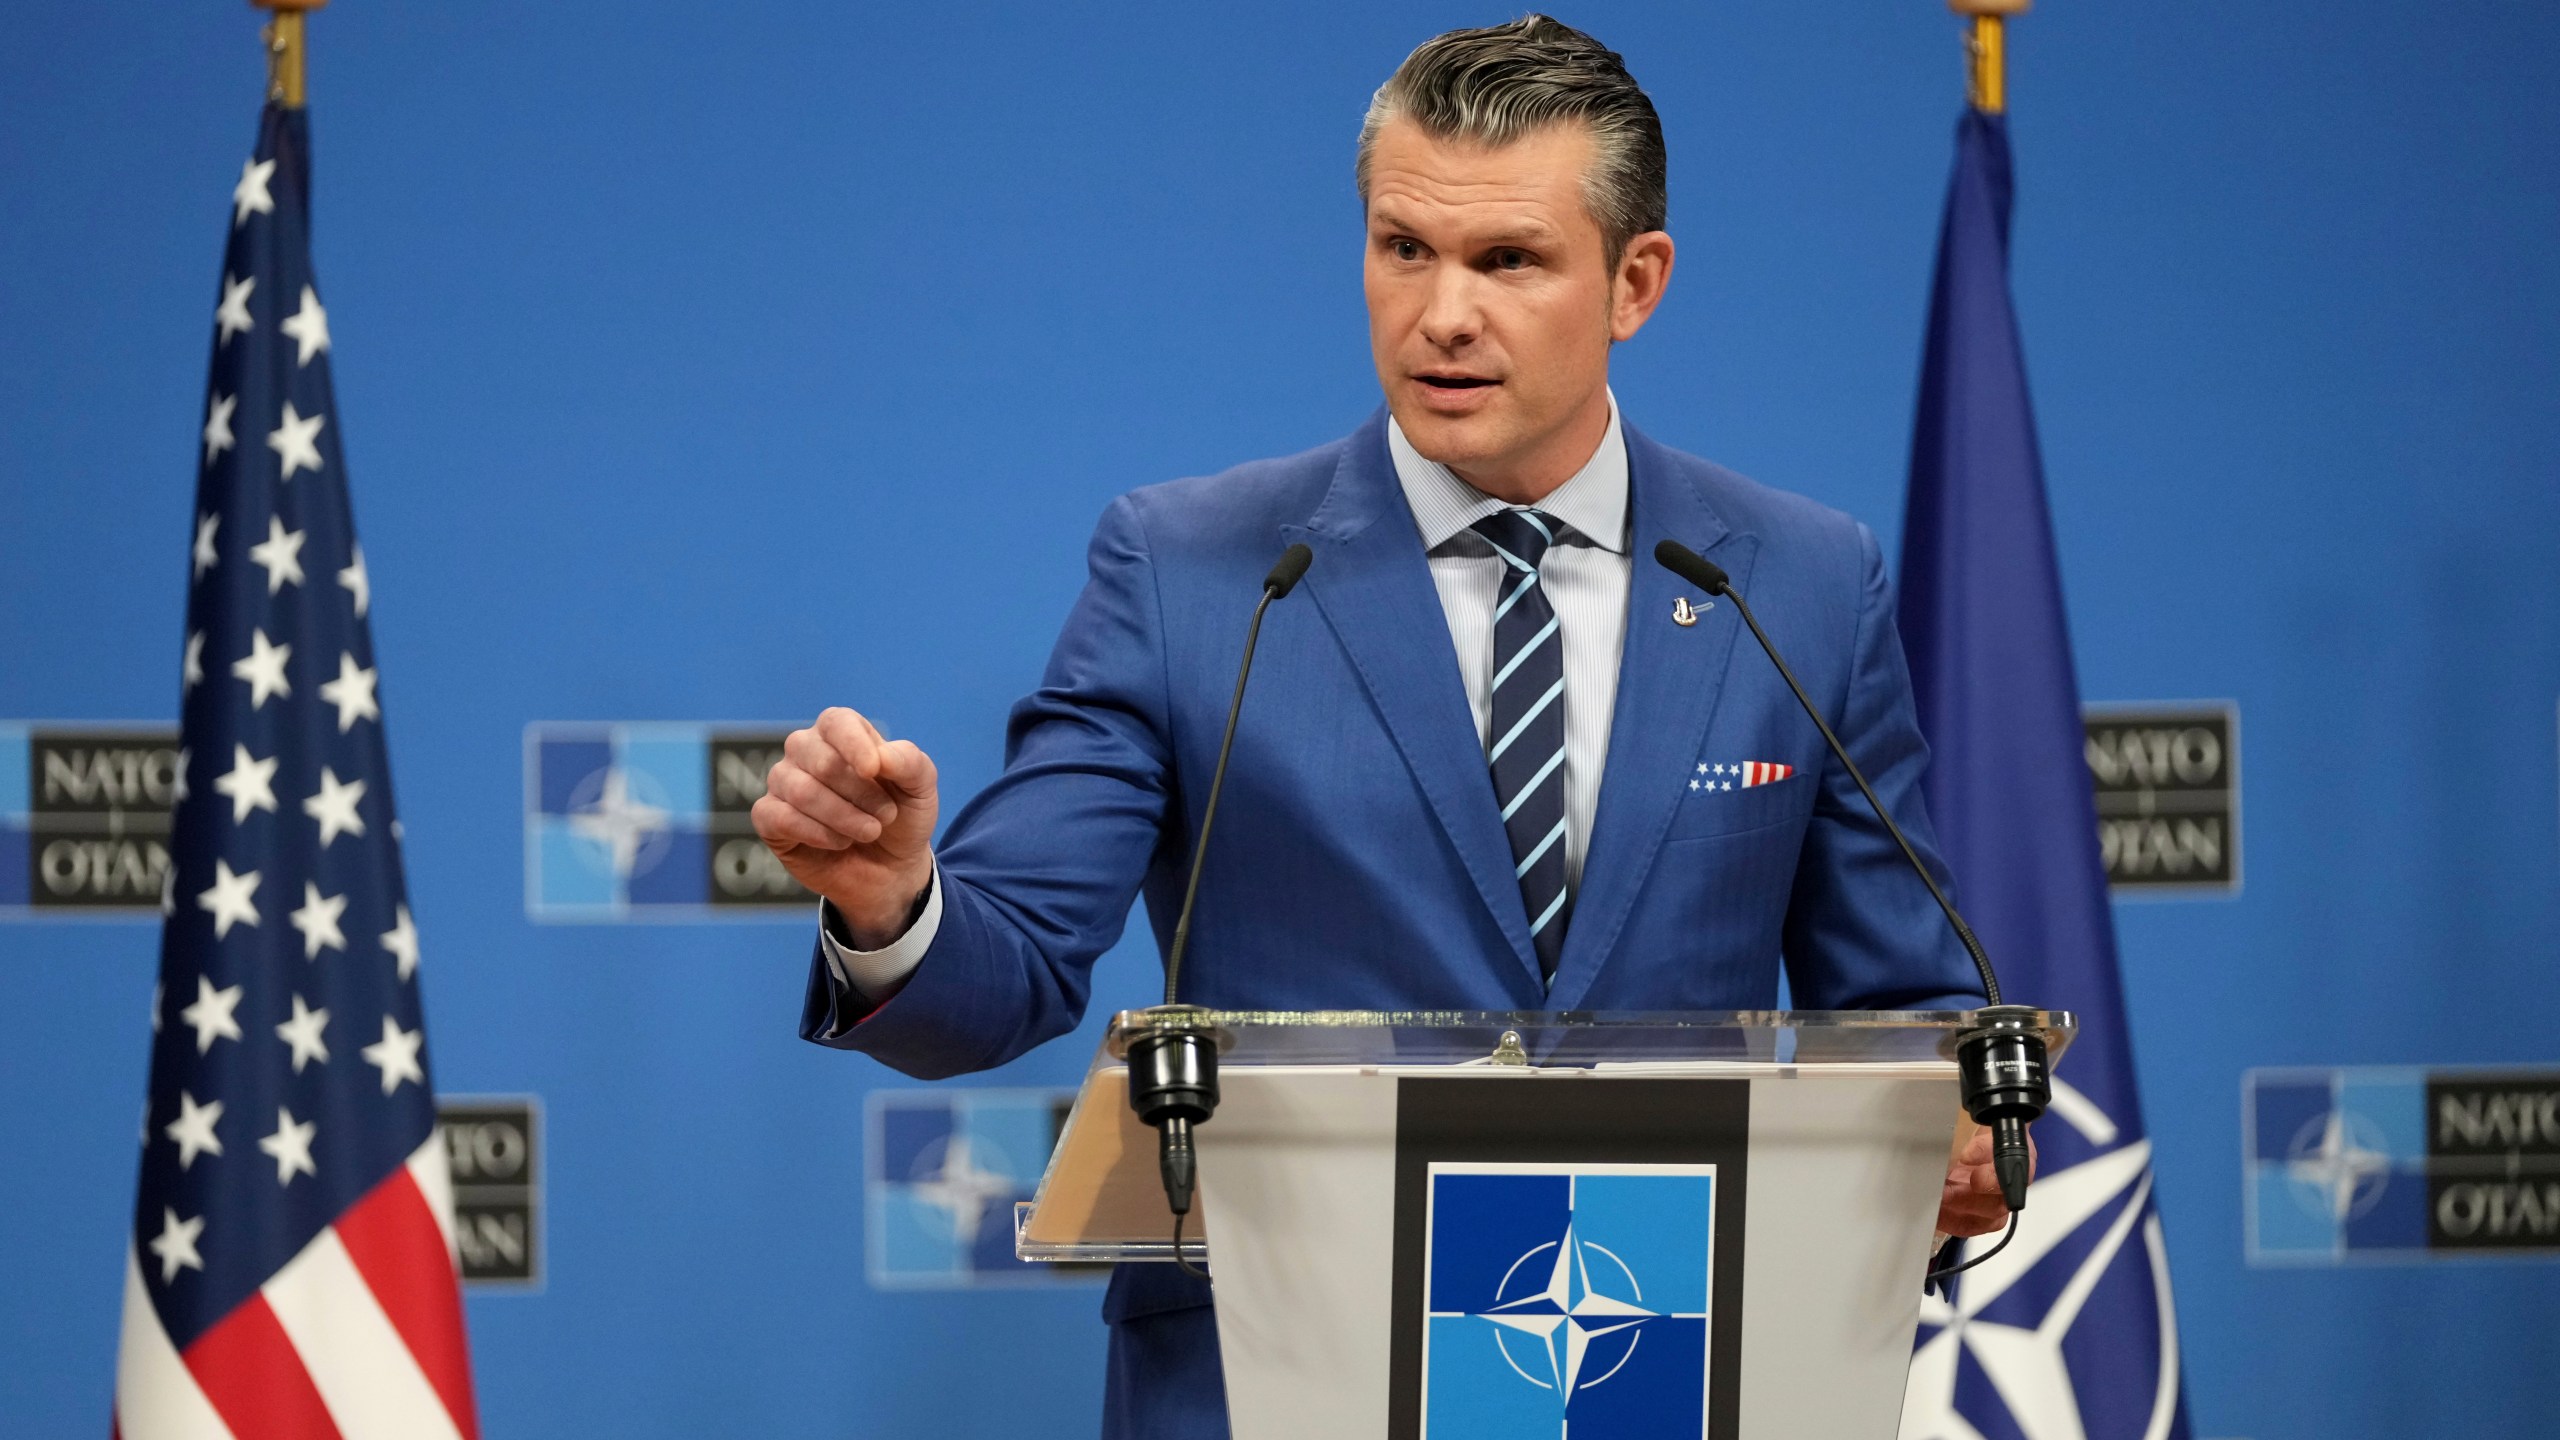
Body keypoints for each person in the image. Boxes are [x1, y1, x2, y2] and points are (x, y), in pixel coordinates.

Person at [754, 17, 2019, 1438]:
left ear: (1635, 284)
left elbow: (1905, 1001)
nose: (1441, 314)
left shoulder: (1796, 580)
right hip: (1278, 1374)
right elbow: (1012, 966)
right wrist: (891, 903)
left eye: (1508, 261)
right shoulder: (1193, 572)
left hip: (1667, 1367)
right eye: (1403, 247)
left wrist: (1955, 1116)